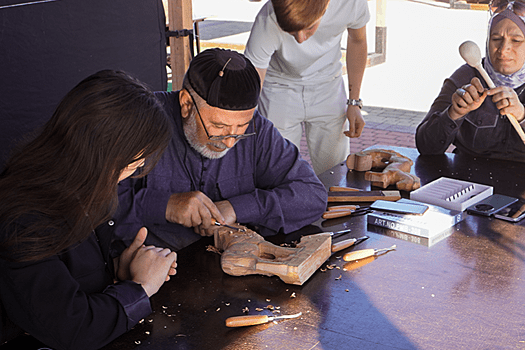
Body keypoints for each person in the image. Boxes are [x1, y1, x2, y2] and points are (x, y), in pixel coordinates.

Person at [0, 70, 177, 350]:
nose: (135, 170)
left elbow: (71, 276)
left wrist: (117, 269)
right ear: (103, 153)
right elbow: (71, 327)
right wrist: (140, 288)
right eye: (131, 165)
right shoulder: (21, 216)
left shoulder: (82, 187)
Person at [115, 48, 327, 252]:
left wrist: (236, 208)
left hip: (232, 264)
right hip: (151, 270)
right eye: (218, 127)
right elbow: (92, 201)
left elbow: (312, 195)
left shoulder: (257, 130)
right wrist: (165, 206)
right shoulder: (142, 121)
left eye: (240, 128)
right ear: (186, 103)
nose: (229, 142)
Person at [243, 0, 370, 175]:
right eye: (292, 31)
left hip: (328, 86)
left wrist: (354, 102)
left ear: (325, 7)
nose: (301, 39)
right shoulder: (269, 17)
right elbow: (254, 76)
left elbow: (358, 40)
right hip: (279, 87)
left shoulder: (350, 3)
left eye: (309, 28)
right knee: (278, 172)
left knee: (334, 172)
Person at [416, 1, 525, 161]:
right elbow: (425, 147)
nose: (503, 49)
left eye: (516, 40)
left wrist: (522, 116)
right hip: (469, 181)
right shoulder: (465, 77)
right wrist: (454, 113)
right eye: (496, 38)